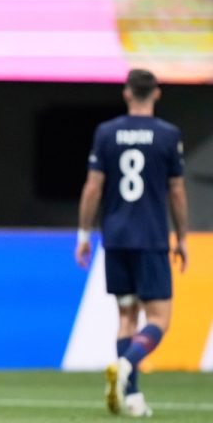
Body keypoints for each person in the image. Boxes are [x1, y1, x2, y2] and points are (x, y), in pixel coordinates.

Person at [75, 68, 188, 417]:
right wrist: (182, 236)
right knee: (159, 319)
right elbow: (177, 191)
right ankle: (126, 364)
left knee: (126, 317)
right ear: (156, 93)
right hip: (151, 238)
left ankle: (133, 397)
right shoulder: (168, 135)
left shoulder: (106, 132)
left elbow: (93, 187)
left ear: (126, 93)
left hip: (116, 237)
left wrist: (84, 234)